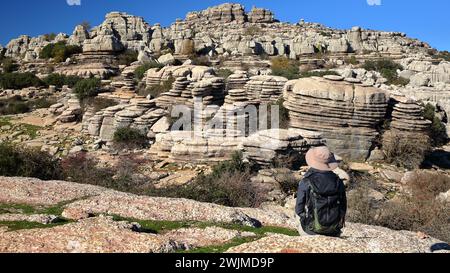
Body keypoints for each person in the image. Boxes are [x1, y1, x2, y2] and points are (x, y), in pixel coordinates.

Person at [295, 146, 347, 237]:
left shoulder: (306, 181)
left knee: (296, 214)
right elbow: (343, 207)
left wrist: (305, 218)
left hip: (311, 230)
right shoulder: (338, 181)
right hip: (334, 230)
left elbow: (299, 209)